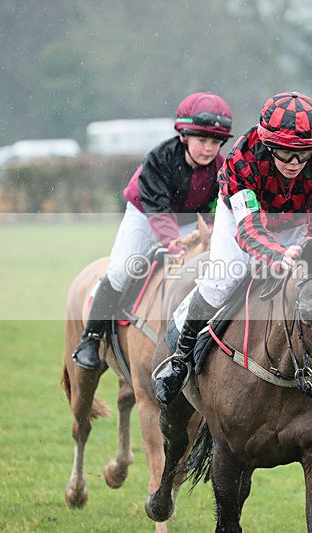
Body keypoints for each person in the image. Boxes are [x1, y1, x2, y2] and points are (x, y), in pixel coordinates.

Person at [154, 91, 312, 411]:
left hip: (299, 223)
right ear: (268, 144)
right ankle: (180, 358)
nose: (294, 164)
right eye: (285, 154)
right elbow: (249, 228)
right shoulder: (242, 158)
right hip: (243, 219)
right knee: (223, 281)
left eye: (303, 155)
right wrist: (277, 255)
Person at [72, 92, 234, 371]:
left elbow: (217, 209)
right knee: (122, 270)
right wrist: (171, 241)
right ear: (184, 136)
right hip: (145, 215)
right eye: (202, 141)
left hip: (185, 220)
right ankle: (91, 339)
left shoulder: (220, 168)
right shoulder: (160, 158)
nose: (209, 148)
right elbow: (157, 207)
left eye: (216, 142)